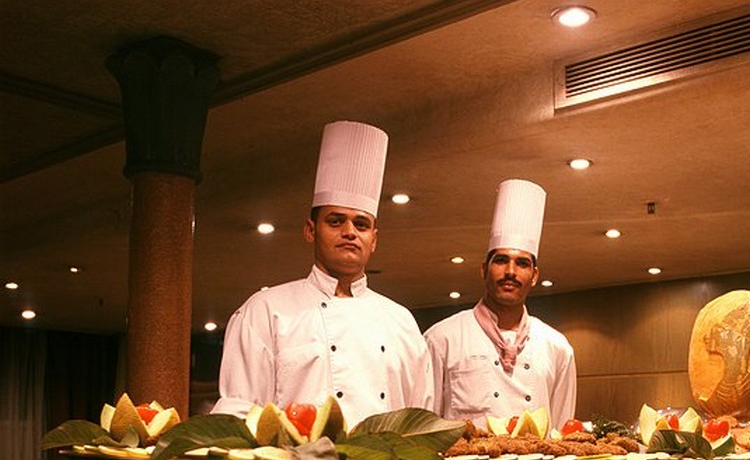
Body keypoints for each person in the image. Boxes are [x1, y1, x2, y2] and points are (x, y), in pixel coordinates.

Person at [213, 120, 433, 427]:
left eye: (361, 224)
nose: (349, 232)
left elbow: (420, 421)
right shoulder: (265, 310)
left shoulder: (401, 321)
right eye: (335, 221)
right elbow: (238, 415)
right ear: (310, 230)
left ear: (374, 239)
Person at [425, 178, 576, 430]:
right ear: (484, 270)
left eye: (522, 263)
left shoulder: (557, 347)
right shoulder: (442, 339)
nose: (510, 271)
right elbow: (425, 428)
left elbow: (560, 434)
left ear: (535, 276)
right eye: (501, 260)